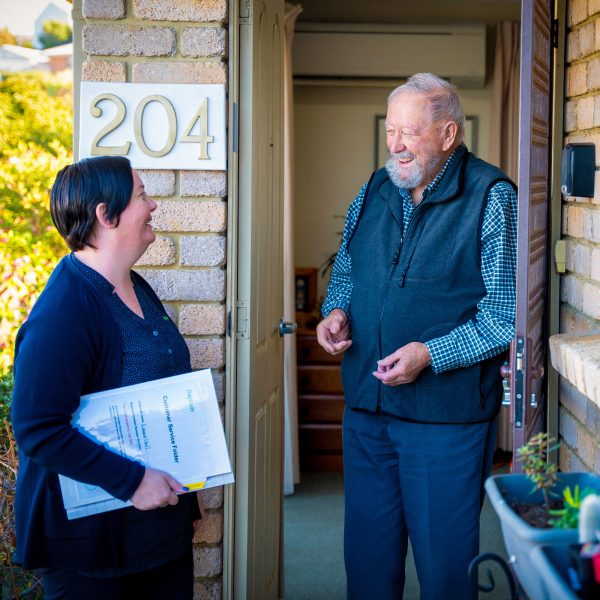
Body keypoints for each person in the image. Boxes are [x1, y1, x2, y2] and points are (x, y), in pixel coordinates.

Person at [316, 73, 517, 599]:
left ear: (449, 134)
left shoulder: (492, 197)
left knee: (446, 574)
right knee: (367, 568)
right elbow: (347, 270)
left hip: (445, 424)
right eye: (391, 131)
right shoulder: (376, 186)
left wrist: (430, 354)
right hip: (367, 410)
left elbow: (503, 316)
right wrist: (334, 311)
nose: (396, 145)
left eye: (410, 133)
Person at [11, 156, 200, 599]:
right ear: (105, 214)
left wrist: (187, 496)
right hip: (94, 559)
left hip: (161, 538)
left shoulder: (136, 287)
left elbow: (161, 396)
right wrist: (133, 481)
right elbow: (38, 429)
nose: (152, 206)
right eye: (141, 196)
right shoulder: (65, 311)